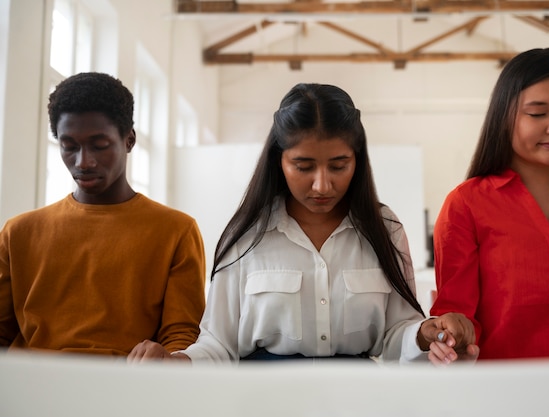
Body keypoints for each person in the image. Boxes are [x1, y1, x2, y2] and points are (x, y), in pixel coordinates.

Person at [129, 83, 478, 365]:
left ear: (358, 160)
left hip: (356, 401)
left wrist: (425, 333)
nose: (322, 185)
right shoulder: (246, 235)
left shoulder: (384, 229)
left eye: (339, 165)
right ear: (278, 160)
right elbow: (219, 345)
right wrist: (175, 362)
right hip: (261, 402)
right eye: (303, 165)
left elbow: (395, 333)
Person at [430, 48, 549, 360]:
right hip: (506, 394)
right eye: (537, 113)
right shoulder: (466, 204)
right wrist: (450, 337)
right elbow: (458, 315)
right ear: (504, 116)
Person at [0, 72, 206, 357]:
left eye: (99, 145)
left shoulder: (176, 231)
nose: (84, 162)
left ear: (129, 140)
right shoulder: (17, 233)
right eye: (69, 146)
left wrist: (165, 360)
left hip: (125, 389)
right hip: (32, 388)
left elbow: (182, 335)